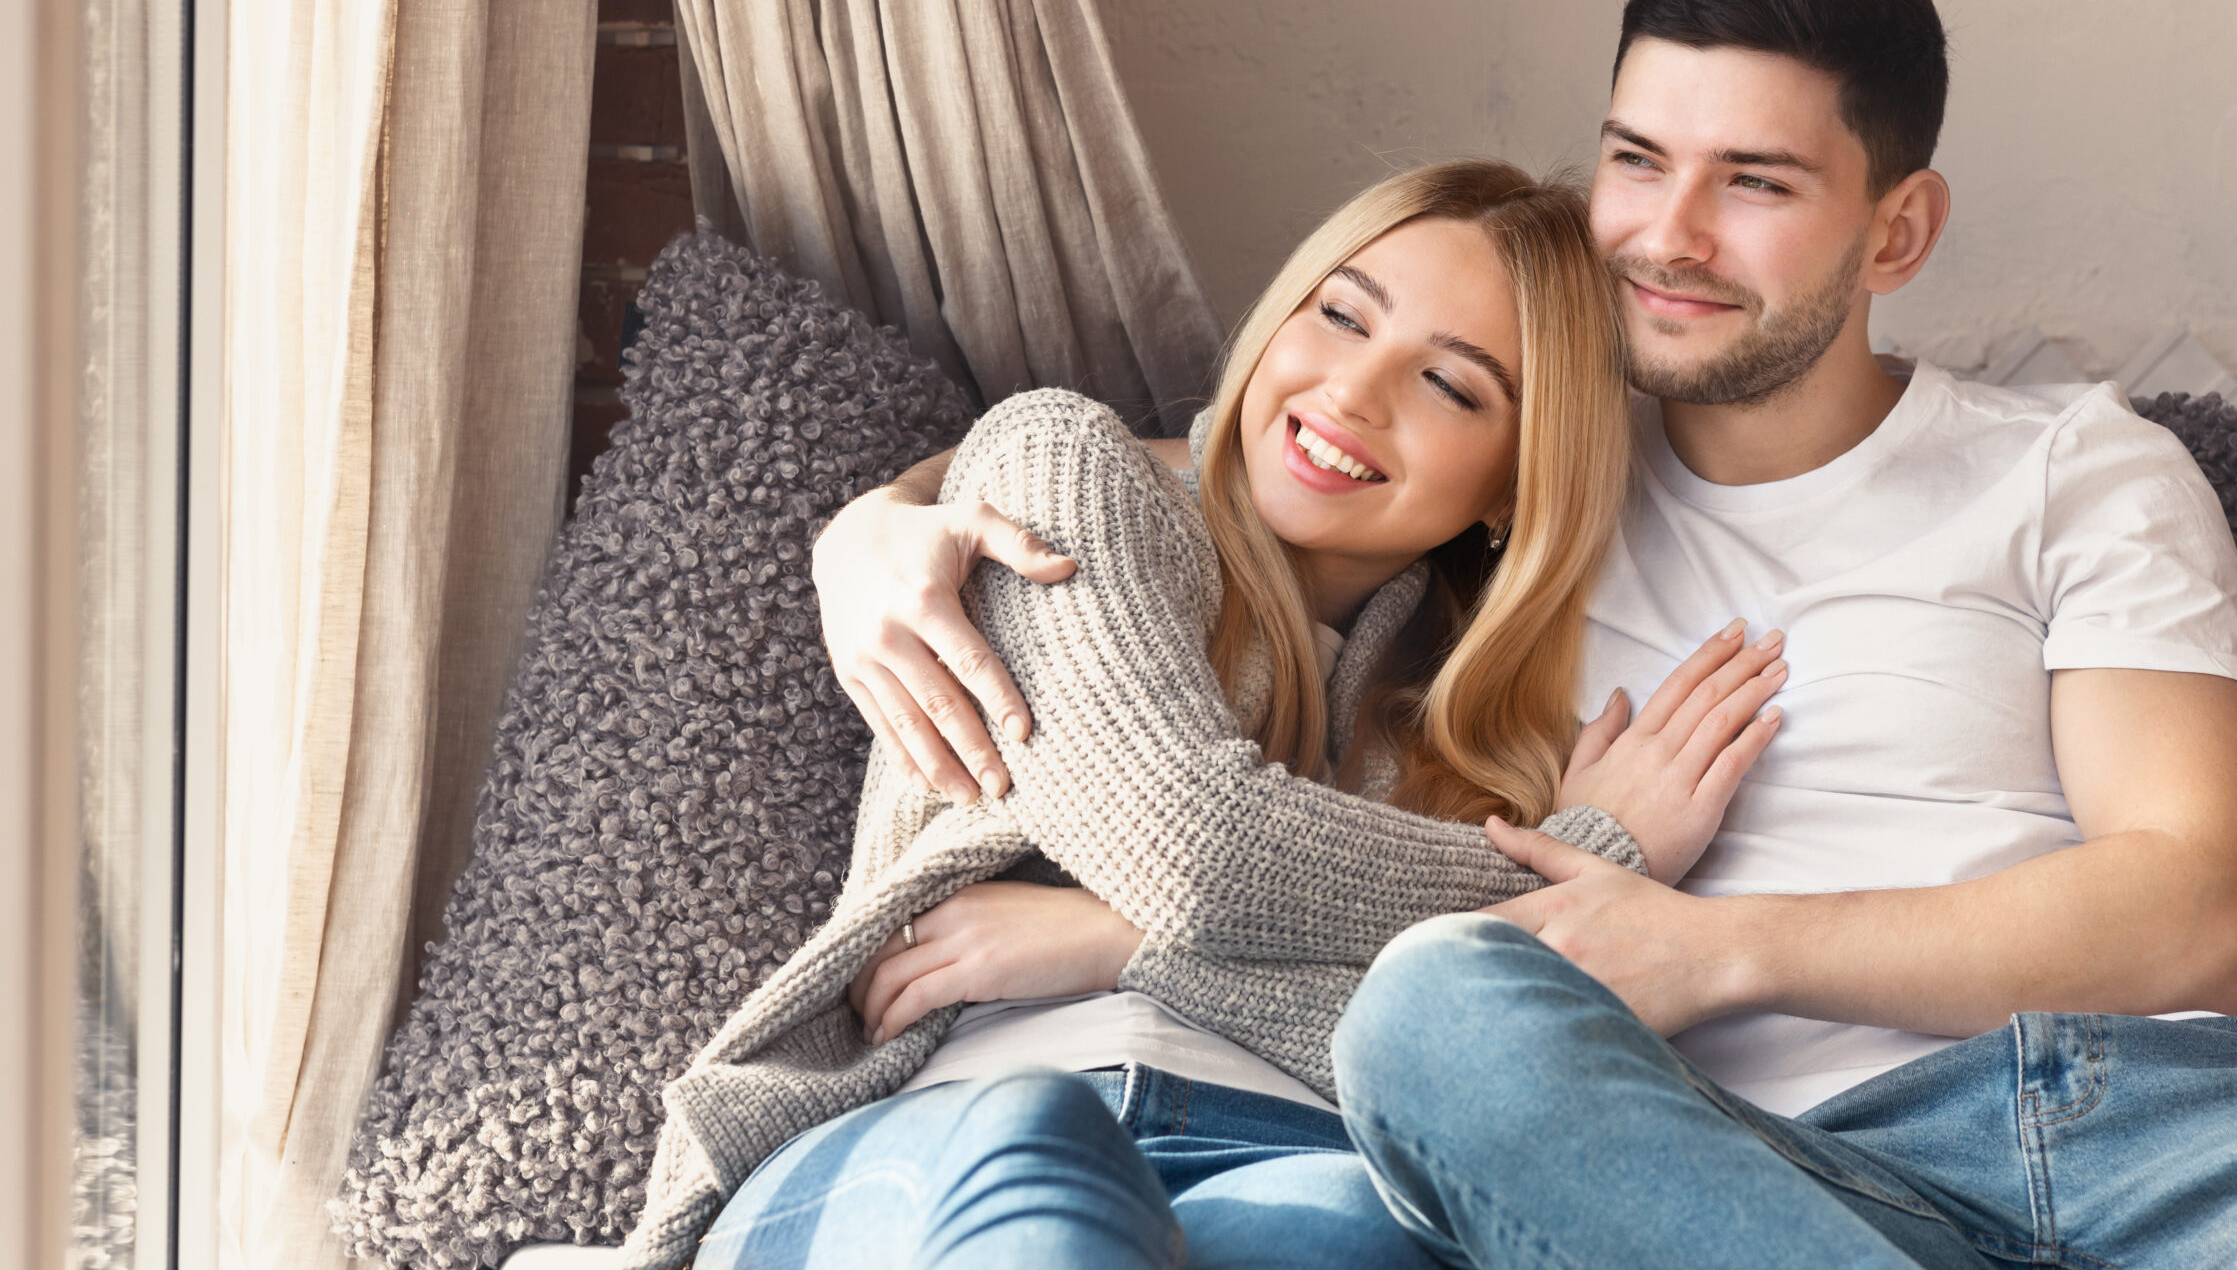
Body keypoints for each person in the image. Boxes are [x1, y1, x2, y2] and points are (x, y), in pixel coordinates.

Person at [826, 0, 2237, 1266]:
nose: (1665, 234)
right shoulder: (1512, 481)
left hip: (2154, 1119)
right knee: (1449, 1010)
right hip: (1694, 1176)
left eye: (1756, 183)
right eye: (1639, 160)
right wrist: (881, 527)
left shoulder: (2072, 468)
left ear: (1897, 231)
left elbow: (2196, 915)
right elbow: (1220, 474)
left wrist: (1704, 947)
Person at [622, 160, 1784, 1270]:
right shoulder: (1064, 472)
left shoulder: (1480, 739)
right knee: (1038, 1158)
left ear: (1511, 490)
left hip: (1291, 1146)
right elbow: (1198, 846)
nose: (1352, 391)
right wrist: (1581, 869)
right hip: (952, 1112)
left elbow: (1471, 1060)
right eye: (1340, 315)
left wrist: (1113, 941)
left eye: (1448, 384)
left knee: (1346, 1232)